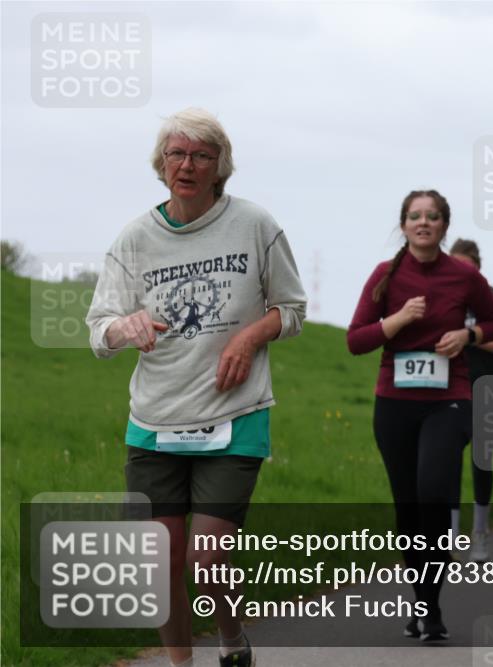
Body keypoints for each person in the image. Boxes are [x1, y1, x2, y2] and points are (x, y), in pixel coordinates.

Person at [86, 108, 307, 667]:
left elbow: (293, 310)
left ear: (219, 167)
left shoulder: (255, 225)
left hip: (234, 414)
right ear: (161, 165)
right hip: (155, 420)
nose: (187, 165)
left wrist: (250, 336)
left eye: (201, 156)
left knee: (208, 561)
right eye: (176, 154)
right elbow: (99, 328)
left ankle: (232, 641)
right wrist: (124, 327)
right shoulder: (135, 238)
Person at [347, 191, 493, 641]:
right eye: (415, 216)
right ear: (403, 226)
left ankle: (431, 607)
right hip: (394, 403)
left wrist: (468, 334)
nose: (423, 223)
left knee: (434, 493)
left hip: (449, 399)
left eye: (432, 217)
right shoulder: (385, 276)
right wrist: (395, 321)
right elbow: (356, 340)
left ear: (443, 226)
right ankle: (421, 598)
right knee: (409, 508)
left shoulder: (465, 276)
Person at [448, 238, 493, 562]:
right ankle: (449, 535)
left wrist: (472, 336)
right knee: (446, 463)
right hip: (450, 390)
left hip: (487, 391)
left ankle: (480, 534)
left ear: (477, 267)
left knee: (481, 462)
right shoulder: (444, 299)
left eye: (466, 266)